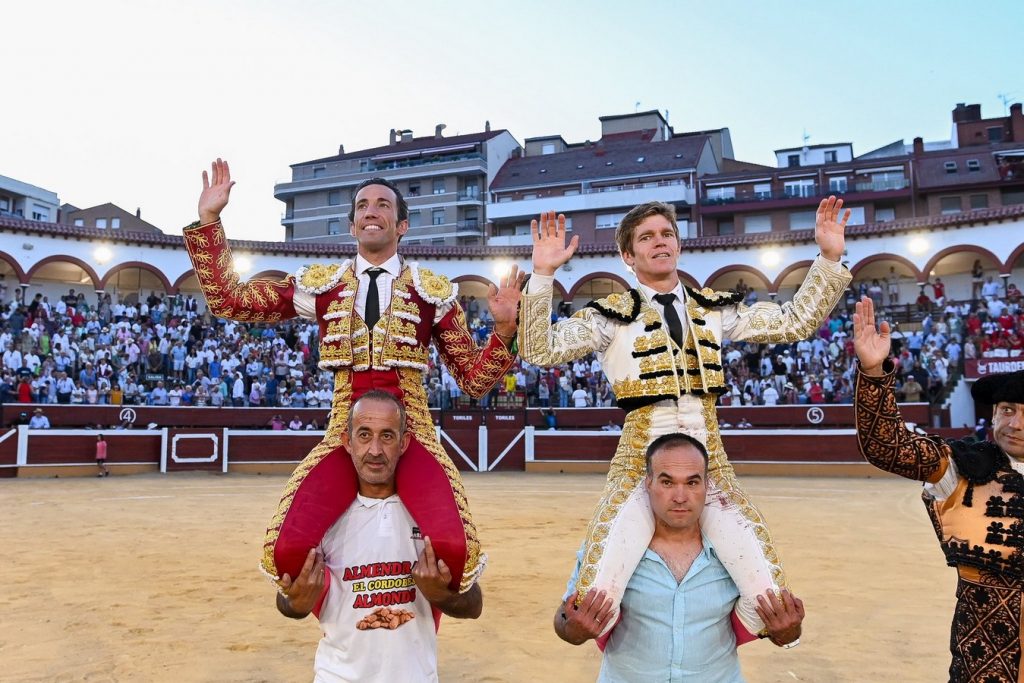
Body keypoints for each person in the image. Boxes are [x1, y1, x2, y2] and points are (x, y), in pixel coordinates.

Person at [187, 159, 522, 594]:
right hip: (346, 437)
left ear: (401, 225)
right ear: (351, 226)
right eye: (362, 205)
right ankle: (342, 610)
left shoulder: (433, 293)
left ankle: (417, 621)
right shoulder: (321, 287)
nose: (371, 211)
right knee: (285, 554)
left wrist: (505, 332)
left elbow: (475, 380)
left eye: (383, 205)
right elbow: (231, 301)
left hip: (412, 434)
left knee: (455, 553)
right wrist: (210, 220)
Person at [519, 198, 850, 636]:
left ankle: (705, 646)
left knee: (769, 599)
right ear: (628, 256)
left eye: (667, 234)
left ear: (678, 244)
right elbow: (539, 349)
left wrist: (828, 258)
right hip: (639, 462)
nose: (660, 242)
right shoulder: (608, 316)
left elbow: (793, 323)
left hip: (709, 461)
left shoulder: (714, 307)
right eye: (646, 237)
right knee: (593, 605)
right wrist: (543, 275)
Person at [853, 294, 1024, 680]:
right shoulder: (962, 468)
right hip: (982, 665)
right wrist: (874, 373)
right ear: (994, 414)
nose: (1014, 424)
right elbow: (888, 446)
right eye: (1007, 410)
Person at [555, 433, 804, 681]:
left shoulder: (736, 550)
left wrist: (789, 634)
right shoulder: (614, 546)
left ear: (707, 485)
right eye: (667, 482)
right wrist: (573, 631)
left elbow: (782, 632)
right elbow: (564, 620)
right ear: (648, 483)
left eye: (692, 483)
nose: (680, 496)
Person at [275, 391, 481, 682]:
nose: (374, 450)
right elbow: (286, 601)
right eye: (363, 435)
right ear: (347, 442)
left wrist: (442, 596)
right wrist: (296, 603)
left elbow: (474, 605)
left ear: (404, 443)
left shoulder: (431, 515)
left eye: (386, 436)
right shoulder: (322, 518)